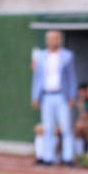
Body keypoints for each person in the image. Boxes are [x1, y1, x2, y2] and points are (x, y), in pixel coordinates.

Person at [31, 30, 78, 166]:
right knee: (48, 128)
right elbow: (37, 78)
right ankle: (47, 157)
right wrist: (35, 96)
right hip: (46, 95)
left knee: (66, 127)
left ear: (59, 40)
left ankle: (68, 157)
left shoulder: (67, 56)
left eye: (55, 39)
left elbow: (71, 77)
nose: (52, 41)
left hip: (62, 95)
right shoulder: (40, 56)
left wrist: (72, 95)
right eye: (49, 39)